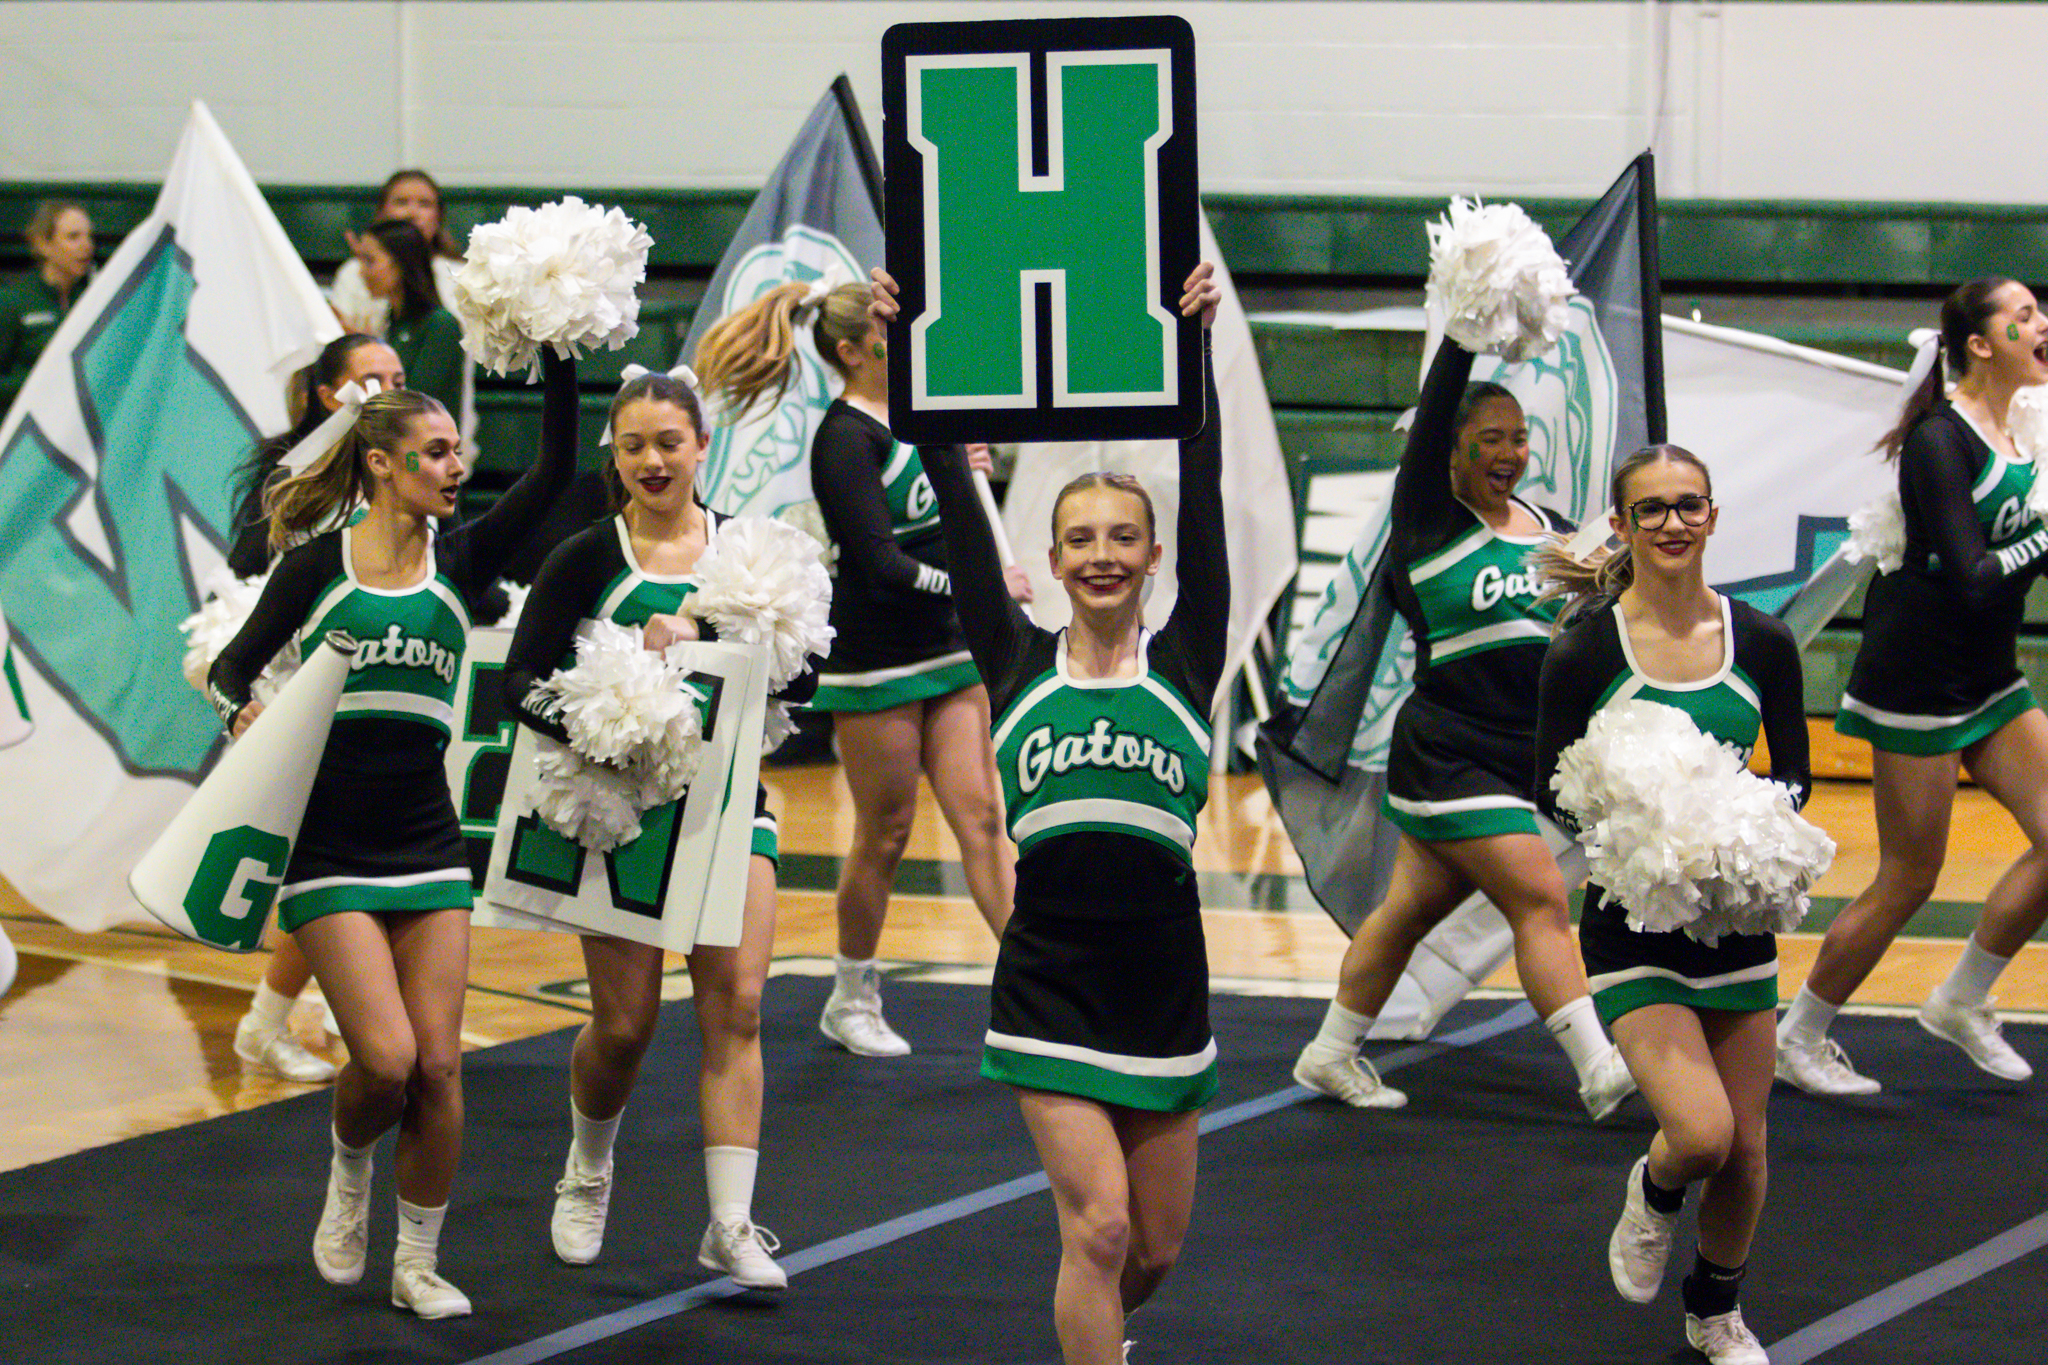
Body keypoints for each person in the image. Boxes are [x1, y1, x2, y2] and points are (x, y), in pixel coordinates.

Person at [877, 262, 1223, 1365]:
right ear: (1055, 558)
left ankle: (1105, 1344)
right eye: (1081, 540)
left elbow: (1203, 483)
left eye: (1123, 539)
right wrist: (905, 349)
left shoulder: (1186, 659)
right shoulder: (1015, 663)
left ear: (1151, 556)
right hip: (1049, 977)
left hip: (1164, 981)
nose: (1103, 557)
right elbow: (940, 460)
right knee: (1099, 1226)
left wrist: (1198, 345)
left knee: (1154, 1254)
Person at [208, 351, 576, 1317]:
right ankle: (346, 1169)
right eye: (435, 453)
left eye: (459, 451)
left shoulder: (459, 561)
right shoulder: (313, 566)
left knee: (443, 1065)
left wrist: (559, 360)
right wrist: (239, 717)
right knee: (384, 1059)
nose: (455, 467)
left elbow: (550, 473)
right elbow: (229, 669)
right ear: (380, 464)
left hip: (427, 842)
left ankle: (417, 1262)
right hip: (327, 847)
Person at [499, 366, 814, 1288]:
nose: (650, 459)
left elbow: (808, 685)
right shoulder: (587, 555)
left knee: (740, 1006)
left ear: (702, 446)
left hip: (725, 804)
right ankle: (588, 1166)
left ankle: (730, 1221)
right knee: (626, 1025)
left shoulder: (749, 557)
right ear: (615, 453)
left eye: (668, 442)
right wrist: (605, 712)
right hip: (620, 816)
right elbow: (516, 682)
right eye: (632, 443)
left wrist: (738, 650)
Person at [1291, 367, 1634, 1116]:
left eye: (1519, 437)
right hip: (1449, 748)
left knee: (1407, 911)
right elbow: (1439, 407)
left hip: (1526, 752)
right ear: (1449, 450)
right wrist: (1465, 332)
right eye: (1490, 439)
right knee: (1539, 893)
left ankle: (1329, 1052)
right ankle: (1598, 1064)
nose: (1510, 451)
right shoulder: (1428, 521)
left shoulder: (1547, 525)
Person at [694, 277, 1020, 1056]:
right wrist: (976, 586)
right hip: (879, 654)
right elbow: (878, 563)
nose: (901, 340)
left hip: (949, 642)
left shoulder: (924, 414)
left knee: (981, 817)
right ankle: (852, 992)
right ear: (852, 349)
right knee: (887, 829)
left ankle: (1035, 982)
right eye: (886, 332)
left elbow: (955, 509)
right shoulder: (844, 438)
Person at [1534, 444, 1807, 1365]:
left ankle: (1715, 1310)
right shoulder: (1582, 651)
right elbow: (1550, 788)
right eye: (1650, 510)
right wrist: (1650, 827)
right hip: (1634, 926)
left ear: (1714, 517)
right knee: (1699, 1135)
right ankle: (1651, 1192)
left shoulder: (1762, 641)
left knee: (1749, 1149)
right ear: (1621, 525)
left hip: (1735, 925)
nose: (1671, 523)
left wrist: (1736, 834)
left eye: (1688, 505)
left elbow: (1797, 772)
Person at [1778, 278, 2048, 1095]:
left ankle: (1960, 997)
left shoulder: (2028, 420)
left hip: (1988, 673)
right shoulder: (1940, 439)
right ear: (1979, 342)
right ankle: (1800, 1034)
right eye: (2025, 315)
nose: (2043, 323)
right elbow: (1970, 573)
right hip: (1918, 677)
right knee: (1909, 877)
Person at [224, 331, 407, 1083]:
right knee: (329, 866)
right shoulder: (296, 476)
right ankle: (269, 1022)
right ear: (331, 396)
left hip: (375, 691)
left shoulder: (401, 467)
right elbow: (247, 572)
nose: (390, 385)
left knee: (356, 863)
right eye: (372, 378)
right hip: (300, 693)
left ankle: (314, 1009)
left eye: (398, 373)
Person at [353, 219, 467, 425]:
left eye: (369, 260)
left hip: (424, 452)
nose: (361, 272)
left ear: (400, 264)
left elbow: (412, 405)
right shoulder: (392, 323)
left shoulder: (441, 325)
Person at [329, 170, 463, 336]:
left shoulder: (462, 275)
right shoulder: (353, 271)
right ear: (381, 212)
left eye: (425, 204)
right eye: (401, 202)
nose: (412, 213)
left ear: (438, 218)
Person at [0, 200, 93, 411]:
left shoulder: (92, 299)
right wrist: (40, 382)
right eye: (73, 237)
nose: (86, 245)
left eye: (88, 236)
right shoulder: (13, 301)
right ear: (43, 244)